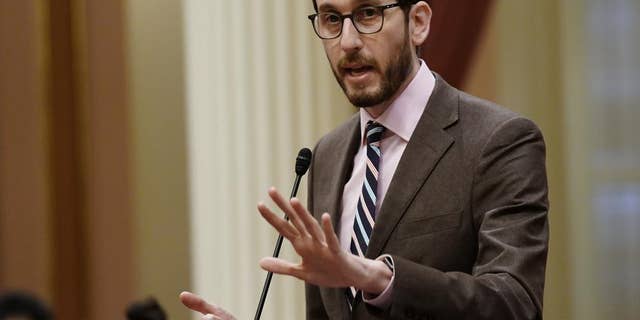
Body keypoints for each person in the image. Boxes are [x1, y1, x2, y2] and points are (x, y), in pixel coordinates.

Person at [181, 0, 549, 319]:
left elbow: (514, 303)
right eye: (331, 19)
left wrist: (380, 278)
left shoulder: (498, 140)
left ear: (418, 22)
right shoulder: (327, 154)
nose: (348, 42)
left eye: (369, 13)